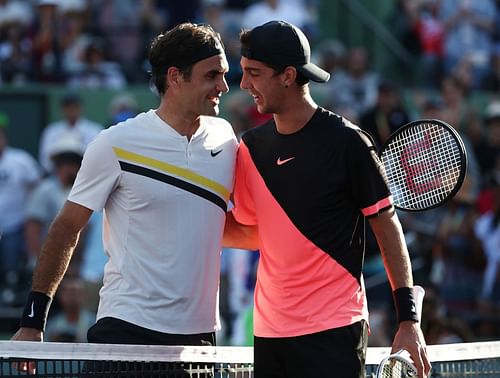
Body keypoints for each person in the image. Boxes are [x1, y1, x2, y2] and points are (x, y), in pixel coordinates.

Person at [223, 20, 431, 378]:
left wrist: (408, 319)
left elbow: (387, 227)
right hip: (269, 332)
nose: (244, 85)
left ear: (288, 75)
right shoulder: (249, 149)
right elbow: (256, 232)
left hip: (334, 328)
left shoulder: (348, 142)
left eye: (254, 73)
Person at [12, 22, 237, 352]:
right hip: (128, 330)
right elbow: (65, 229)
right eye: (212, 75)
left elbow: (234, 227)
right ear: (175, 77)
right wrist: (33, 321)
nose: (224, 86)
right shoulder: (115, 144)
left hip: (199, 337)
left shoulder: (226, 138)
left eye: (224, 74)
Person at [38, 92, 103, 175]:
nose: (71, 110)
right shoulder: (52, 131)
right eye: (68, 107)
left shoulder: (94, 129)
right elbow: (45, 161)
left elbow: (98, 158)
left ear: (81, 108)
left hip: (87, 176)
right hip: (57, 178)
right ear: (62, 109)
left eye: (75, 106)